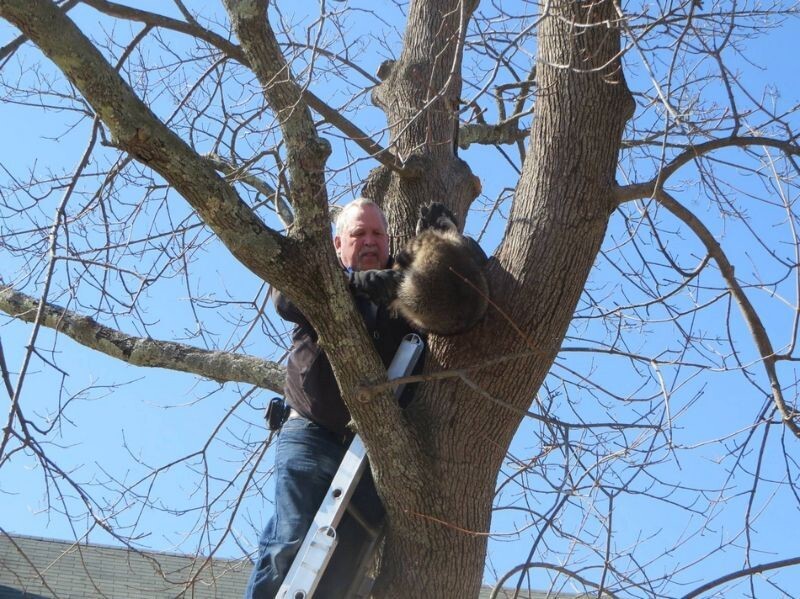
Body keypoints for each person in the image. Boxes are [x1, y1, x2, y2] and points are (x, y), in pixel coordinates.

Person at [245, 198, 420, 599]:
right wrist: (352, 285)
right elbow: (285, 297)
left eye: (378, 234)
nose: (370, 241)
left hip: (373, 450)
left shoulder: (403, 294)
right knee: (287, 545)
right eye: (359, 234)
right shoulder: (323, 285)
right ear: (339, 244)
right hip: (311, 433)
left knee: (345, 567)